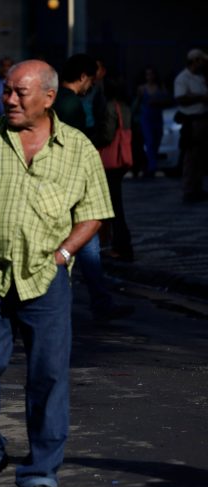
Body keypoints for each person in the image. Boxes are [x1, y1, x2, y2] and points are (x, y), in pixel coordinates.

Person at [0, 60, 114, 487]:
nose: (10, 99)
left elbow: (93, 211)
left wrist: (64, 254)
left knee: (49, 376)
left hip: (46, 277)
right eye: (7, 91)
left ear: (49, 98)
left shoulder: (77, 148)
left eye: (20, 92)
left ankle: (40, 475)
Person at [54, 54, 133, 322]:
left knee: (83, 240)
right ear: (84, 77)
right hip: (70, 180)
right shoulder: (72, 103)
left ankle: (96, 298)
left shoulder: (51, 98)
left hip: (55, 180)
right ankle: (96, 300)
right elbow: (75, 144)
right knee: (88, 238)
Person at [98, 78, 134, 261]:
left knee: (113, 205)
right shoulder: (126, 107)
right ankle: (120, 244)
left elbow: (107, 134)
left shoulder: (111, 107)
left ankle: (120, 245)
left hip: (110, 159)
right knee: (115, 203)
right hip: (122, 159)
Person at [174, 48, 208, 202]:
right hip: (191, 121)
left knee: (200, 156)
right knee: (190, 156)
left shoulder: (200, 77)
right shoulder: (183, 78)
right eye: (201, 60)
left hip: (202, 119)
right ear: (195, 61)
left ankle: (197, 188)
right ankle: (188, 189)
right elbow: (181, 98)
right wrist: (200, 97)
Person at [134, 67, 170, 178]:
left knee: (157, 140)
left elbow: (168, 99)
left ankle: (150, 164)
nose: (150, 76)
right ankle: (152, 167)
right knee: (149, 141)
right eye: (147, 74)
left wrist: (158, 102)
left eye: (151, 74)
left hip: (157, 117)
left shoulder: (160, 87)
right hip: (146, 118)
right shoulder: (142, 88)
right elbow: (137, 103)